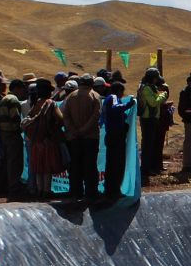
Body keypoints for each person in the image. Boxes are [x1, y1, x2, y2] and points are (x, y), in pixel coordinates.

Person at [60, 74, 103, 203]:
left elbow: (65, 116)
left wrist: (74, 130)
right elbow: (96, 116)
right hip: (90, 137)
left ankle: (76, 191)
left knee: (75, 165)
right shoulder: (95, 96)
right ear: (91, 84)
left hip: (74, 137)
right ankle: (91, 192)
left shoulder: (70, 96)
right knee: (90, 165)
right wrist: (84, 130)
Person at [22, 79, 64, 201]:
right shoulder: (51, 104)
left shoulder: (36, 104)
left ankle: (40, 190)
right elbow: (61, 119)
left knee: (39, 167)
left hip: (36, 141)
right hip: (47, 140)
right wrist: (52, 130)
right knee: (47, 167)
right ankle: (46, 191)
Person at [100, 79, 136, 203]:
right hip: (115, 136)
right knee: (116, 163)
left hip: (112, 135)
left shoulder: (108, 99)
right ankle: (113, 190)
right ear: (119, 91)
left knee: (112, 163)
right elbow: (116, 109)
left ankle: (110, 189)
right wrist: (129, 105)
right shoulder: (113, 97)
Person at [136, 68, 170, 175]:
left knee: (150, 144)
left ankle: (149, 167)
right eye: (156, 78)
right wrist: (163, 95)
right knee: (147, 145)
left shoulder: (150, 87)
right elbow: (153, 103)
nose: (157, 81)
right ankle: (145, 169)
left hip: (151, 119)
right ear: (153, 78)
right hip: (148, 119)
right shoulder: (146, 88)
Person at [0, 78, 27, 197]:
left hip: (4, 135)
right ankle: (14, 189)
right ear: (17, 89)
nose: (24, 92)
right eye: (22, 89)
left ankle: (5, 186)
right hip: (12, 135)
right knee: (15, 163)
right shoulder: (14, 100)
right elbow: (15, 119)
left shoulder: (4, 99)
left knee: (7, 162)